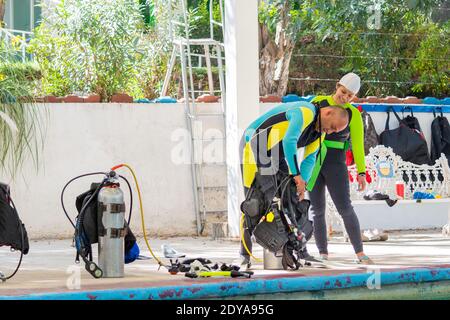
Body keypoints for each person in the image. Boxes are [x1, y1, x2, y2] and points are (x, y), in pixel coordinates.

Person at [239, 101, 349, 269]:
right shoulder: (305, 112)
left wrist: (301, 185)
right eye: (333, 127)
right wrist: (296, 174)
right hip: (254, 146)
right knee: (254, 204)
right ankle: (244, 256)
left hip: (277, 155)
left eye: (336, 131)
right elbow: (289, 141)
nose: (332, 131)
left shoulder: (320, 133)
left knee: (292, 201)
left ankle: (303, 253)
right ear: (327, 113)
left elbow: (310, 158)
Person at [308, 72, 374, 265]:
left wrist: (362, 172)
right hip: (313, 160)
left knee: (345, 207)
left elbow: (358, 145)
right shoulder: (318, 102)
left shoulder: (353, 114)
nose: (344, 97)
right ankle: (323, 253)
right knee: (317, 210)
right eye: (343, 91)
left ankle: (360, 253)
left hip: (336, 163)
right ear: (337, 86)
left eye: (350, 95)